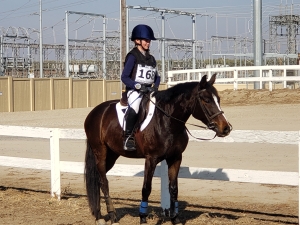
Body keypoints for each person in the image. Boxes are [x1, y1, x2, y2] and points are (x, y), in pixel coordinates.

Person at [121, 24, 161, 151]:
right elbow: (124, 77)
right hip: (134, 91)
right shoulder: (132, 56)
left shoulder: (151, 59)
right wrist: (137, 86)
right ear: (137, 41)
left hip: (149, 91)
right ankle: (128, 137)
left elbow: (157, 77)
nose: (148, 43)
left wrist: (156, 87)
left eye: (149, 41)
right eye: (146, 40)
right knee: (136, 105)